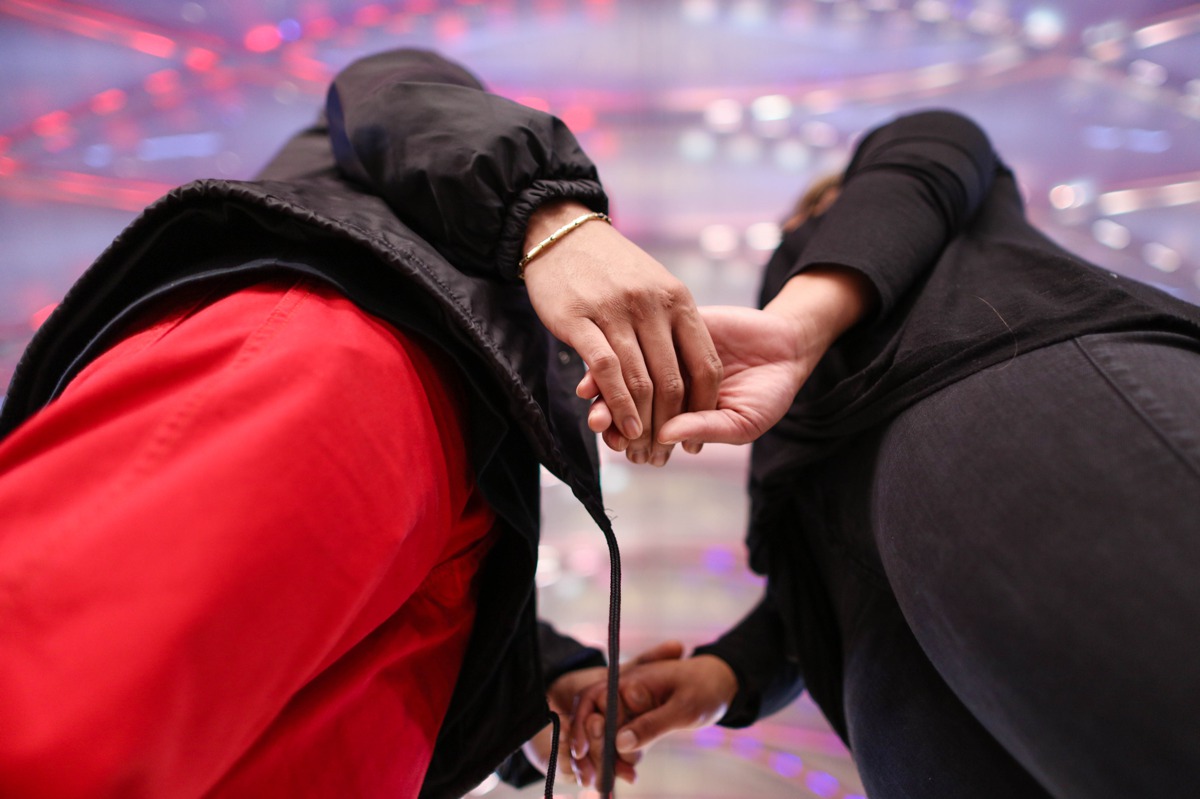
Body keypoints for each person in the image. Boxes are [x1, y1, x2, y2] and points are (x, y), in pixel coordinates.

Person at [0, 48, 719, 798]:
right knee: (67, 720)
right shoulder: (418, 127)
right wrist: (551, 219)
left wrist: (542, 684)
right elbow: (394, 85)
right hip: (359, 353)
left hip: (444, 514)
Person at [567, 109, 1200, 798]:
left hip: (1003, 392)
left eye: (817, 219)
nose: (796, 237)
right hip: (874, 641)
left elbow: (926, 159)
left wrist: (795, 325)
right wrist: (726, 674)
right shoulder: (792, 396)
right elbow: (807, 578)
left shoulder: (924, 163)